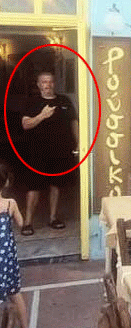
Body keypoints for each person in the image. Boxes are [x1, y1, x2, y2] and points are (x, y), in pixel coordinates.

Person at [19, 71, 78, 236]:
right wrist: (42, 116)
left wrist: (79, 143)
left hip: (60, 152)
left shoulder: (64, 101)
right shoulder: (32, 102)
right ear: (38, 85)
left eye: (50, 81)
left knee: (56, 185)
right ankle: (27, 223)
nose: (48, 85)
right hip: (37, 152)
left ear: (54, 83)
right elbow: (26, 124)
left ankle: (53, 218)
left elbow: (74, 122)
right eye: (44, 82)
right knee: (34, 186)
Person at [0, 164, 33, 328]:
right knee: (15, 292)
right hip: (8, 259)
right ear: (6, 183)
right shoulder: (10, 204)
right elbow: (22, 224)